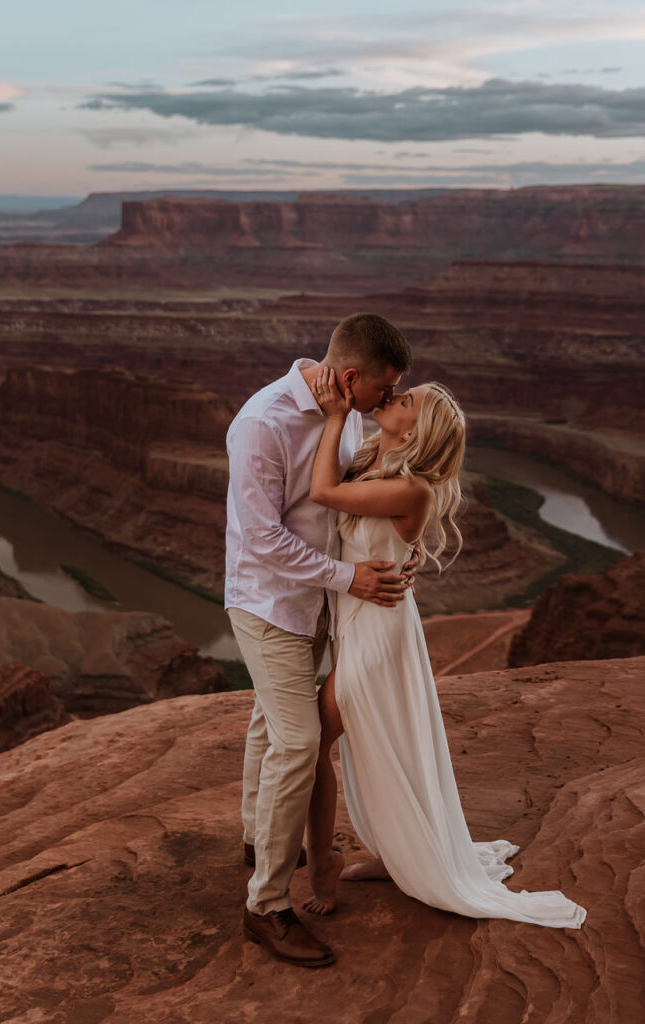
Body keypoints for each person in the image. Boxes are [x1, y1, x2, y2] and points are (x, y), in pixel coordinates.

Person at [301, 366, 587, 931]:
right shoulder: (371, 460)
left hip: (377, 636)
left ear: (414, 432)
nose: (392, 396)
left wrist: (337, 413)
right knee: (387, 747)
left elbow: (321, 492)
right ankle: (399, 853)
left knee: (311, 742)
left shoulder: (413, 488)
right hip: (360, 623)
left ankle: (323, 867)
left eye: (405, 399)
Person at [225, 312, 416, 969]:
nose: (385, 403)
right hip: (268, 604)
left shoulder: (349, 410)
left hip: (321, 603)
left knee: (268, 722)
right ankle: (266, 906)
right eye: (381, 391)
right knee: (299, 740)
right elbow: (261, 538)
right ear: (351, 376)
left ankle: (258, 837)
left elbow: (339, 501)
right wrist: (349, 577)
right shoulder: (261, 422)